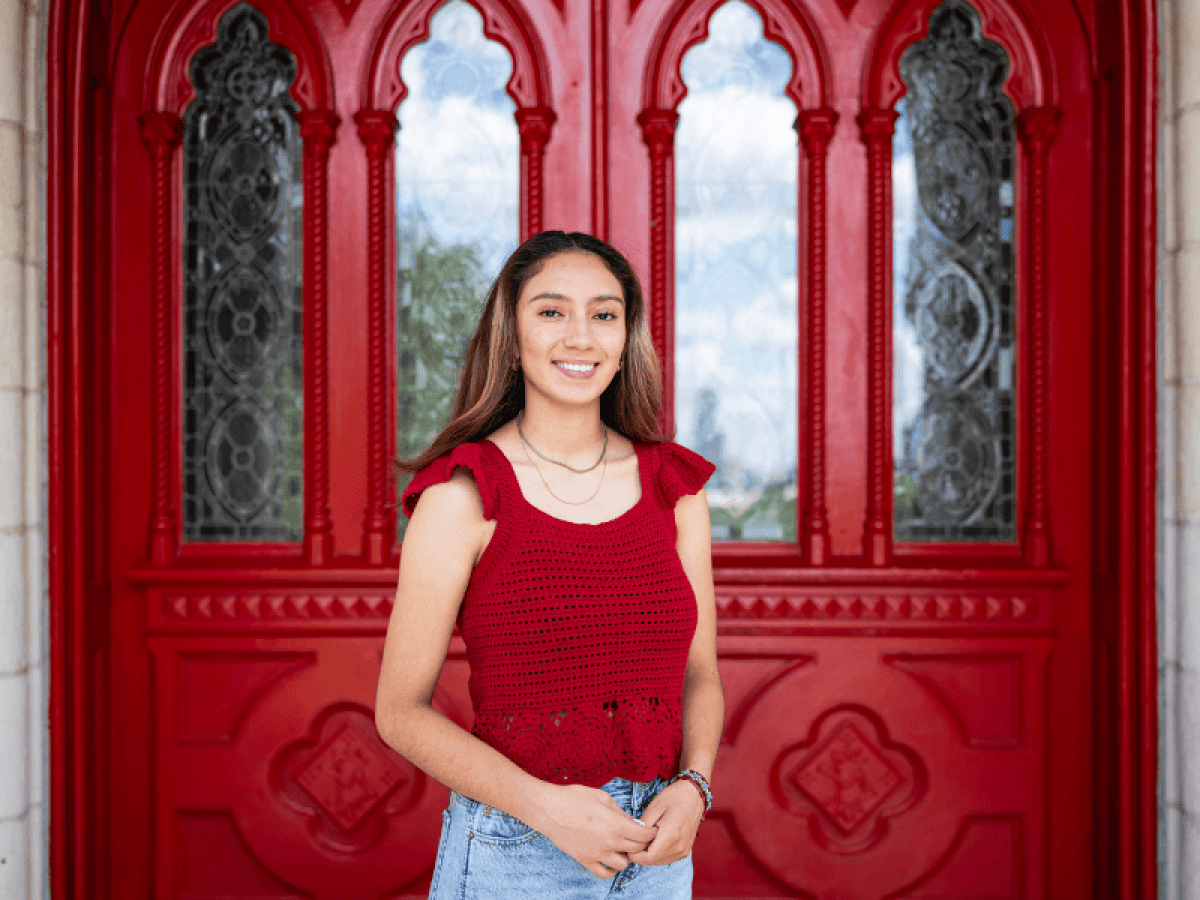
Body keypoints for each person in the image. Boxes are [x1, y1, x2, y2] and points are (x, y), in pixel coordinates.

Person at [375, 230, 724, 899]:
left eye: (604, 314)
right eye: (551, 311)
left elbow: (701, 676)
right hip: (519, 850)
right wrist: (546, 808)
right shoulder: (463, 494)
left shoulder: (675, 489)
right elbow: (399, 712)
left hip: (658, 852)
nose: (581, 337)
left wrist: (695, 785)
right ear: (512, 334)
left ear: (626, 338)